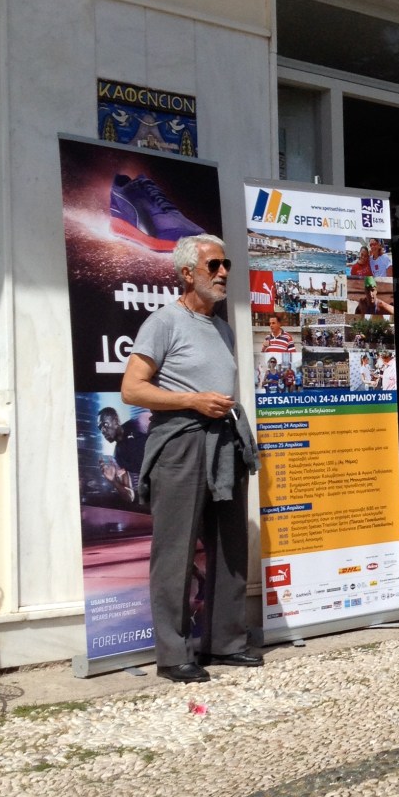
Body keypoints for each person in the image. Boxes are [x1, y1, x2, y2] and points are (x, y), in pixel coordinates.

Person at [121, 234, 261, 685]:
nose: (223, 273)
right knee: (175, 548)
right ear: (186, 273)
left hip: (224, 443)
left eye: (226, 265)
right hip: (181, 443)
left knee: (230, 545)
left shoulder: (222, 328)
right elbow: (132, 389)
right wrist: (193, 400)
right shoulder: (164, 322)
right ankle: (172, 654)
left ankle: (226, 642)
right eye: (213, 265)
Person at [97, 406, 149, 502]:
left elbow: (166, 431)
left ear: (116, 421)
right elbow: (130, 497)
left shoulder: (138, 423)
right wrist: (113, 481)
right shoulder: (118, 457)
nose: (103, 431)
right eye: (100, 428)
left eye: (105, 424)